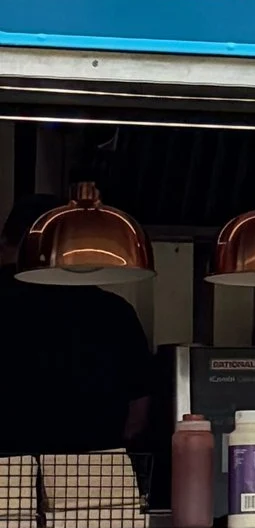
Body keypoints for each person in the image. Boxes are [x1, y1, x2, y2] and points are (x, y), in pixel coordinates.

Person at [0, 196, 155, 480]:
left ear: (5, 241)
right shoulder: (114, 313)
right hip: (94, 484)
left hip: (5, 480)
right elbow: (138, 416)